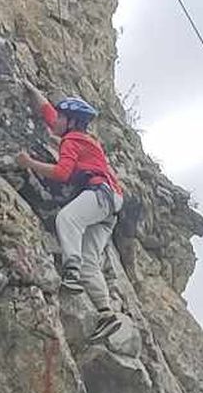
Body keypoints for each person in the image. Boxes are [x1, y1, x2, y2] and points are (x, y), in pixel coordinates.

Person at [15, 83, 126, 342]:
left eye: (63, 117)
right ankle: (106, 313)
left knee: (67, 218)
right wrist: (33, 91)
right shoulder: (81, 138)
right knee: (91, 260)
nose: (58, 119)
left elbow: (63, 173)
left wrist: (29, 163)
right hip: (110, 202)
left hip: (99, 194)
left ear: (72, 122)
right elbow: (50, 114)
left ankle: (71, 272)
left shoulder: (73, 140)